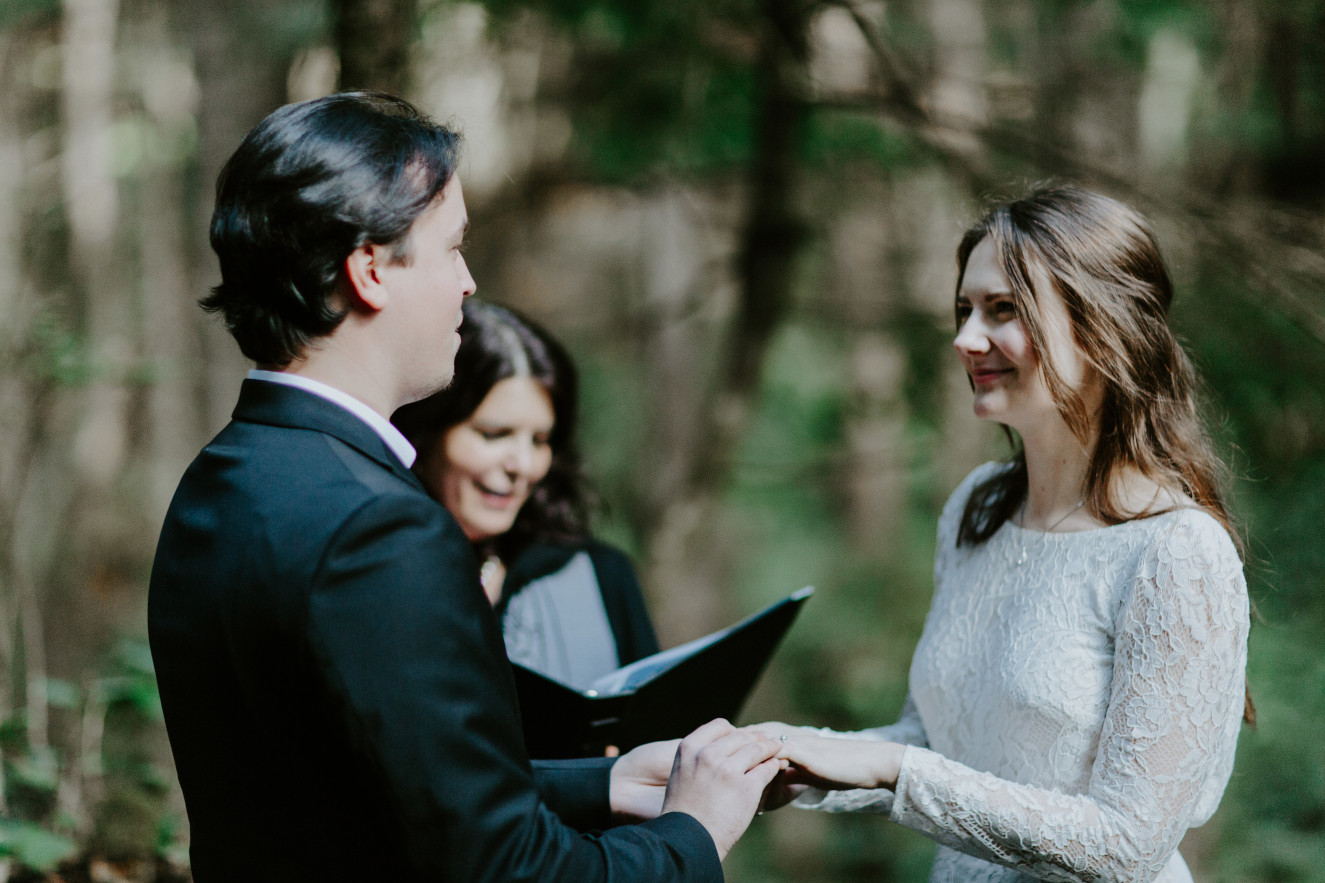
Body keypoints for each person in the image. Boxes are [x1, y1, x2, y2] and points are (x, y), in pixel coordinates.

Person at [147, 90, 782, 882]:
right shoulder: (379, 530)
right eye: (452, 249)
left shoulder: (220, 479)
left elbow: (353, 788)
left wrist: (606, 783)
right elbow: (503, 869)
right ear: (370, 269)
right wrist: (691, 832)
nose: (469, 282)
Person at [760, 186, 1251, 883]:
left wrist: (894, 769)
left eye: (1002, 309)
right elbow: (933, 743)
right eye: (963, 309)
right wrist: (782, 753)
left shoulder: (1174, 552)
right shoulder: (977, 507)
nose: (964, 338)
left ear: (1102, 324)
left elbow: (1126, 844)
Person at [392, 299, 660, 696]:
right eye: (494, 434)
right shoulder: (374, 571)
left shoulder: (601, 575)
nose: (522, 465)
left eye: (539, 440)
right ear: (427, 431)